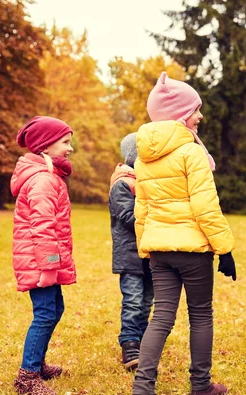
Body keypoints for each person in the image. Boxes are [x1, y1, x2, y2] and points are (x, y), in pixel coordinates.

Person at [132, 72, 237, 395]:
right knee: (201, 315)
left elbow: (142, 210)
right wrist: (226, 249)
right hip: (193, 252)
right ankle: (201, 386)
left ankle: (143, 387)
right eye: (196, 110)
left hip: (160, 252)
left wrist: (144, 249)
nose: (201, 115)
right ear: (180, 114)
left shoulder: (143, 158)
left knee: (161, 316)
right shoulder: (192, 153)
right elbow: (206, 207)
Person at [10, 116, 76, 395]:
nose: (70, 148)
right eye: (65, 142)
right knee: (45, 314)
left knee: (54, 310)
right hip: (41, 262)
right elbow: (42, 226)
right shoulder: (43, 181)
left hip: (45, 259)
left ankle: (36, 365)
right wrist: (49, 266)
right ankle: (27, 378)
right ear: (46, 147)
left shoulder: (50, 176)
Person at [109, 132, 154, 371]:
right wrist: (155, 215)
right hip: (129, 255)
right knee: (133, 302)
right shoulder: (122, 184)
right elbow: (128, 217)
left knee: (147, 302)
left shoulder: (148, 181)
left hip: (151, 253)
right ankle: (130, 345)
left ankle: (145, 343)